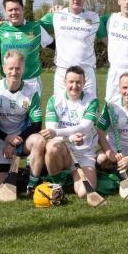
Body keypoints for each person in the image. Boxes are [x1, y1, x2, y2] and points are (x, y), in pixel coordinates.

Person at [0, 50, 45, 196]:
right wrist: (7, 138)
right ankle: (18, 174)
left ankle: (31, 186)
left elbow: (36, 125)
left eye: (18, 68)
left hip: (21, 141)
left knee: (39, 140)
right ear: (4, 68)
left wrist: (14, 143)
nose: (14, 72)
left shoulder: (32, 91)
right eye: (11, 68)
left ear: (23, 69)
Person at [41, 66, 100, 197]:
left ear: (84, 83)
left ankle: (71, 177)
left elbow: (85, 127)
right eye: (71, 82)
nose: (74, 86)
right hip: (63, 151)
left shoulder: (92, 101)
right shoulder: (54, 100)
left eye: (78, 82)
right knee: (52, 146)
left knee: (84, 193)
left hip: (84, 154)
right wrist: (71, 139)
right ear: (64, 82)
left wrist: (57, 132)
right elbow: (51, 133)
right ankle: (57, 184)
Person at [40, 0, 105, 97]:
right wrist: (50, 43)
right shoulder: (56, 15)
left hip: (87, 72)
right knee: (60, 106)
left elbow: (109, 40)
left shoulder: (94, 18)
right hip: (63, 70)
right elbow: (33, 28)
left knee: (90, 106)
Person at [0, 0, 54, 94]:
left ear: (23, 9)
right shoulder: (0, 29)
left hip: (31, 81)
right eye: (10, 10)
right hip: (7, 82)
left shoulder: (36, 27)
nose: (14, 12)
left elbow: (54, 45)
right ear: (5, 12)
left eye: (17, 9)